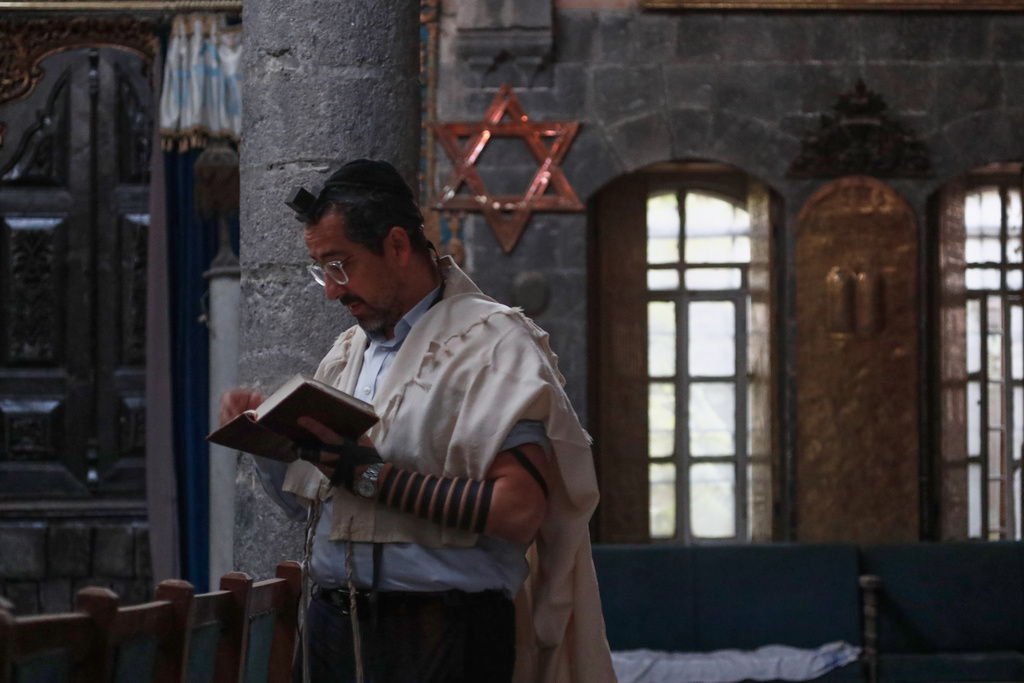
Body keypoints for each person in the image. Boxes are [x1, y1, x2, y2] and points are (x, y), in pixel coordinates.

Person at [220, 159, 615, 683]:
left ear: (398, 245)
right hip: (334, 624)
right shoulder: (347, 353)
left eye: (340, 266)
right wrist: (274, 444)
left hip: (442, 634)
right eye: (322, 269)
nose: (331, 290)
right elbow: (315, 506)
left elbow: (518, 510)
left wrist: (369, 475)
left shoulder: (495, 345)